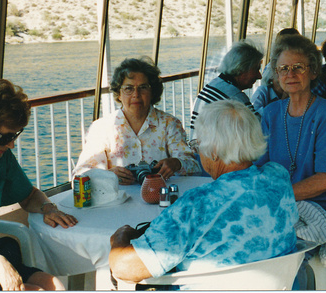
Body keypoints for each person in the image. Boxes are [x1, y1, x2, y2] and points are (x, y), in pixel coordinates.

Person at [109, 100, 299, 286]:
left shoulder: (198, 203)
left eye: (198, 144)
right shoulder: (278, 176)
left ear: (214, 151)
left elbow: (125, 268)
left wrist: (120, 237)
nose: (198, 150)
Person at [0, 79, 77, 291]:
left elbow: (28, 195)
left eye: (16, 135)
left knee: (54, 286)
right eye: (6, 137)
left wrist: (48, 208)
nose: (11, 144)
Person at [255, 34, 326, 243]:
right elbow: (260, 166)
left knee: (269, 238)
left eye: (298, 67)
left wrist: (275, 197)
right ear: (276, 74)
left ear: (313, 71)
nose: (290, 74)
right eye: (283, 68)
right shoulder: (270, 113)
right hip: (285, 204)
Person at [74, 57, 201, 184]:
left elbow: (194, 167)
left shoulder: (169, 124)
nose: (136, 94)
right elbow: (81, 173)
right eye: (129, 88)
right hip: (117, 200)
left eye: (143, 87)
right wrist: (108, 175)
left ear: (152, 92)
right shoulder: (101, 128)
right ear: (119, 93)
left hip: (161, 197)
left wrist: (177, 163)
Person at [189, 39, 263, 139]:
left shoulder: (214, 84)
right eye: (256, 69)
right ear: (241, 69)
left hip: (200, 149)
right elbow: (260, 129)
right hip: (211, 152)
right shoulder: (235, 96)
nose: (259, 76)